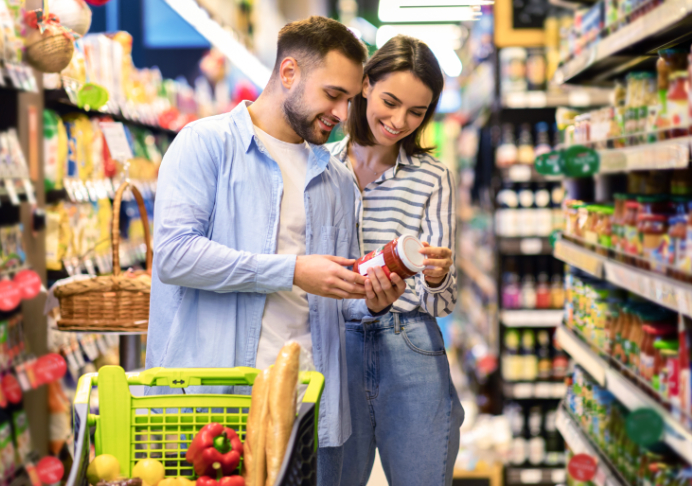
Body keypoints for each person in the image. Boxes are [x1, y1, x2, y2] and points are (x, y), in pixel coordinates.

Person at [145, 16, 406, 484]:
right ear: (289, 73)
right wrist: (290, 271)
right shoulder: (205, 145)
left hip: (309, 409)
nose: (342, 114)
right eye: (332, 95)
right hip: (214, 404)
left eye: (350, 100)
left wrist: (369, 300)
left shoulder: (338, 179)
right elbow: (174, 255)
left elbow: (333, 300)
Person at [328, 35, 465, 486]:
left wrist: (439, 276)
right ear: (365, 85)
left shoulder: (434, 177)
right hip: (334, 345)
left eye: (417, 112)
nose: (399, 121)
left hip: (411, 347)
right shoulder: (320, 167)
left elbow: (442, 305)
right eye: (390, 101)